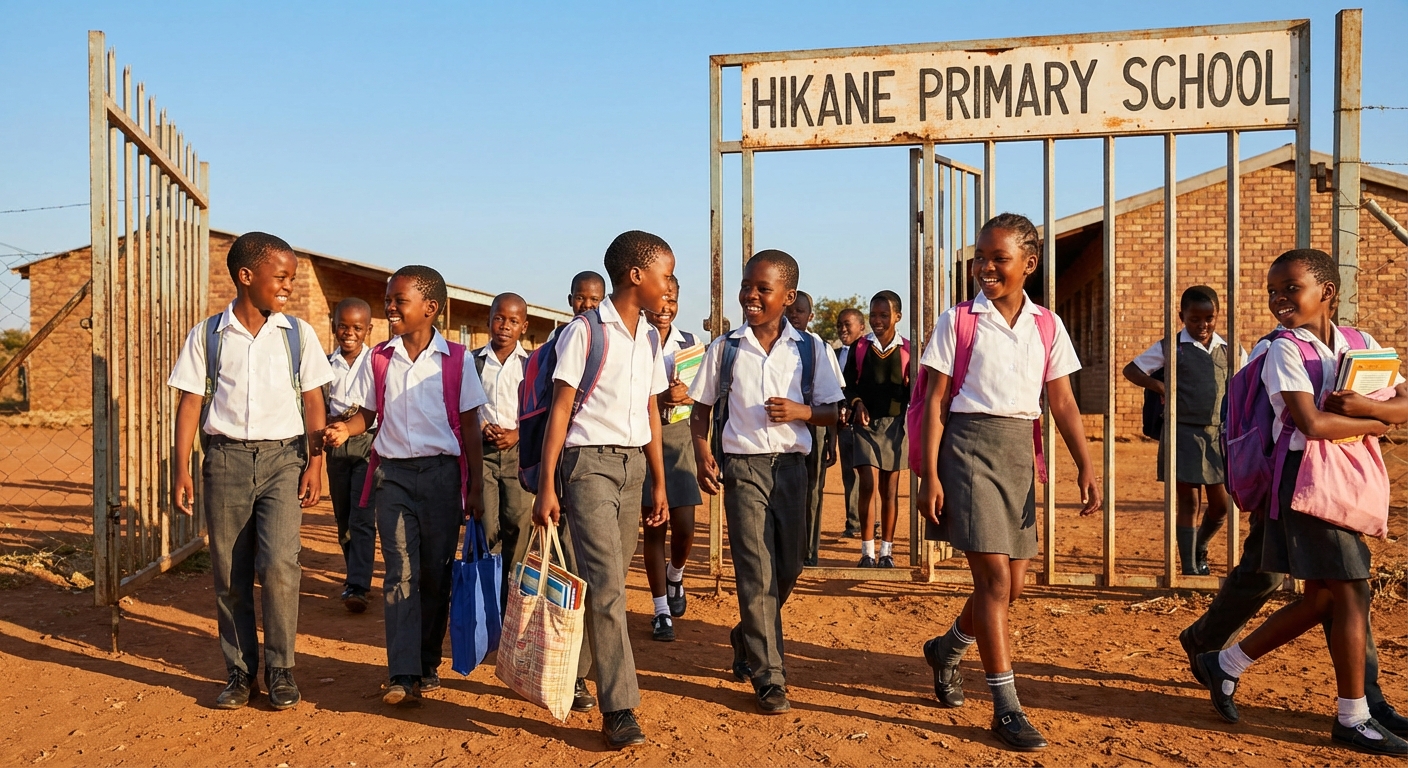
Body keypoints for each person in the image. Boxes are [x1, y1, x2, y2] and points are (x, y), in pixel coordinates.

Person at [1191, 249, 1408, 755]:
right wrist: (1378, 420)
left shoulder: (1362, 343)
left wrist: (1372, 408)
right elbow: (1311, 424)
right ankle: (1352, 716)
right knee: (1351, 592)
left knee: (1326, 597)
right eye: (1273, 290)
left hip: (1347, 478)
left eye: (1291, 288)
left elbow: (1404, 397)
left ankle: (1223, 664)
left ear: (1327, 293)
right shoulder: (1283, 349)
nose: (1279, 299)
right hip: (1304, 478)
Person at [916, 213, 1100, 752]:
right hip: (968, 449)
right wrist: (930, 475)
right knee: (994, 583)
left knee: (1011, 586)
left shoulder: (1047, 324)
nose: (986, 266)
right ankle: (1006, 706)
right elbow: (933, 401)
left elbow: (1062, 401)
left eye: (999, 258)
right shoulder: (959, 320)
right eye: (981, 256)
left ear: (1030, 264)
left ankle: (947, 649)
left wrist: (1086, 465)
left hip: (1020, 452)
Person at [169, 231, 335, 711]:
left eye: (292, 278)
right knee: (230, 572)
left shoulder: (298, 334)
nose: (287, 286)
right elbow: (190, 404)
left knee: (282, 564)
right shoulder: (207, 335)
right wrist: (182, 467)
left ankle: (281, 669)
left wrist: (315, 463)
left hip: (285, 460)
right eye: (280, 277)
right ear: (246, 277)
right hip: (225, 461)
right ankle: (239, 673)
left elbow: (313, 402)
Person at [532, 230, 674, 750]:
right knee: (609, 587)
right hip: (586, 467)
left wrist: (657, 479)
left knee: (606, 580)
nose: (668, 284)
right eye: (664, 273)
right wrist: (546, 486)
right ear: (636, 276)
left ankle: (578, 671)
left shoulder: (651, 337)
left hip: (632, 466)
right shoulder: (586, 333)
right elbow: (560, 412)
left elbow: (652, 412)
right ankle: (620, 707)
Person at [324, 265, 488, 707]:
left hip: (441, 477)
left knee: (434, 575)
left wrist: (474, 489)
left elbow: (470, 427)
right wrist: (346, 429)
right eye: (388, 298)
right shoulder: (380, 358)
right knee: (400, 573)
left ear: (430, 308)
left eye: (399, 300)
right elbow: (369, 415)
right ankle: (401, 672)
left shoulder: (457, 360)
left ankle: (427, 661)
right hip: (392, 477)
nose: (390, 306)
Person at [688, 249, 844, 715]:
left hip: (793, 470)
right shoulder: (726, 347)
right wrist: (701, 455)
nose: (750, 296)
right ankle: (770, 676)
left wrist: (802, 412)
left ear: (788, 296)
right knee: (755, 571)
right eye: (747, 287)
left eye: (763, 289)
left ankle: (745, 633)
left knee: (790, 566)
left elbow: (834, 412)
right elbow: (700, 412)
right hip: (744, 469)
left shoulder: (811, 350)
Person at [1123, 286, 1240, 575]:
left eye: (1209, 318)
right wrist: (1160, 386)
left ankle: (1200, 545)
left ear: (1217, 316)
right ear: (1182, 317)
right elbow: (1131, 370)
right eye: (1194, 319)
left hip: (1217, 435)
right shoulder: (1171, 347)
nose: (1202, 325)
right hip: (1181, 433)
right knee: (1188, 501)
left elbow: (1244, 383)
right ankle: (1188, 568)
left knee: (1221, 504)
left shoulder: (1231, 349)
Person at [641, 275, 703, 642]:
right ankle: (661, 610)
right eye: (660, 299)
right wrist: (660, 399)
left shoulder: (691, 343)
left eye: (672, 300)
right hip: (645, 438)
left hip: (678, 440)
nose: (665, 307)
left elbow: (705, 392)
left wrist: (687, 396)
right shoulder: (635, 340)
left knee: (684, 527)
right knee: (654, 527)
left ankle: (675, 574)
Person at [843, 290, 910, 568]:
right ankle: (867, 552)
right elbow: (847, 385)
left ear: (898, 316)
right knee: (868, 484)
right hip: (865, 425)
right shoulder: (860, 348)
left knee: (890, 490)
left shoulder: (908, 350)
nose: (877, 320)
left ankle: (887, 552)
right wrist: (857, 403)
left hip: (895, 426)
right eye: (873, 315)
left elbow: (914, 389)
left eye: (884, 315)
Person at [475, 292, 532, 611]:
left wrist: (517, 433)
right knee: (487, 523)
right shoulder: (474, 361)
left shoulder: (530, 364)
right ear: (489, 321)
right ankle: (487, 598)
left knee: (517, 523)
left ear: (523, 326)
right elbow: (465, 406)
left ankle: (513, 597)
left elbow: (539, 411)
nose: (505, 326)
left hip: (517, 454)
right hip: (482, 452)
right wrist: (482, 426)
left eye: (513, 321)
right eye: (499, 318)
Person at [325, 297, 378, 613]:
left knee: (361, 516)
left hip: (367, 446)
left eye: (357, 328)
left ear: (368, 329)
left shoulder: (376, 363)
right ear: (334, 328)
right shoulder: (323, 364)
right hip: (335, 446)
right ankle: (352, 574)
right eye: (343, 326)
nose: (349, 333)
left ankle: (358, 584)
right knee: (343, 516)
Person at [786, 290, 843, 566]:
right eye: (791, 310)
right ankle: (791, 548)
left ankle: (810, 550)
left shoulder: (819, 346)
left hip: (815, 425)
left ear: (811, 316)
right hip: (786, 427)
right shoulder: (780, 343)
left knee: (813, 489)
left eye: (800, 311)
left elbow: (832, 399)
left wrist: (831, 440)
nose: (794, 315)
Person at [834, 307, 867, 538]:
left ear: (861, 328)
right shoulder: (834, 355)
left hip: (864, 423)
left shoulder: (869, 353)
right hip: (843, 424)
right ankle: (853, 521)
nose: (843, 329)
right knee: (849, 474)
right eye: (840, 325)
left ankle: (870, 522)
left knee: (869, 474)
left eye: (848, 324)